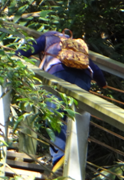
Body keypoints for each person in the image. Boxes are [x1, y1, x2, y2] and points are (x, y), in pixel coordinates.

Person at [16, 30, 107, 167]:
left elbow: (24, 51)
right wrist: (103, 84)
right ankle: (75, 164)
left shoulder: (47, 37)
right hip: (84, 77)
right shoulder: (77, 44)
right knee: (77, 118)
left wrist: (14, 57)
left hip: (58, 72)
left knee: (55, 116)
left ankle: (60, 157)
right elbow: (95, 69)